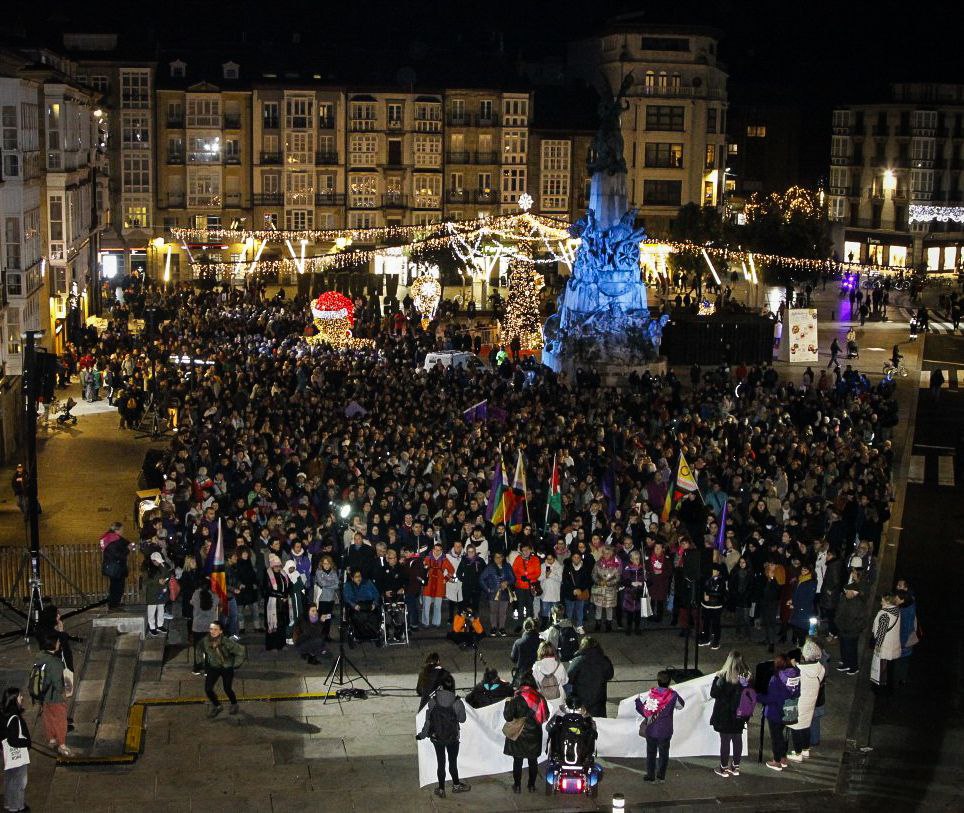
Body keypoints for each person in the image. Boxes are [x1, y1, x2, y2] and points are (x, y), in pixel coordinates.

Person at [416, 673, 470, 798]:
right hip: (452, 738)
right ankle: (456, 785)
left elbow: (428, 722)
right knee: (452, 762)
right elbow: (462, 720)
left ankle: (441, 789)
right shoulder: (457, 702)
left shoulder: (432, 701)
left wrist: (422, 735)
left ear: (440, 686)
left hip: (437, 738)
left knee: (441, 763)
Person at [636, 670, 686, 783]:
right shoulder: (673, 695)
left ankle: (650, 775)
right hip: (666, 730)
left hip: (652, 729)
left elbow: (645, 711)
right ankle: (661, 776)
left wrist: (638, 702)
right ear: (669, 682)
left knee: (651, 753)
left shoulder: (652, 694)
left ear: (658, 681)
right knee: (664, 754)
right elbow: (681, 706)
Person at [502, 675, 549, 793]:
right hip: (534, 735)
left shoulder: (516, 699)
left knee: (517, 762)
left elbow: (508, 717)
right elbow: (545, 716)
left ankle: (517, 786)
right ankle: (531, 786)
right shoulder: (540, 698)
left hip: (519, 735)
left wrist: (507, 702)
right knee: (533, 761)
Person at [709, 650, 751, 777]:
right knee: (737, 739)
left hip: (724, 714)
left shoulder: (722, 676)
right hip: (739, 714)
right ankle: (736, 766)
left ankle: (723, 768)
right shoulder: (746, 676)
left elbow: (713, 694)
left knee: (725, 740)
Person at [757, 654, 800, 771]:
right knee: (783, 735)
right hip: (789, 710)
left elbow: (771, 698)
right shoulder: (795, 675)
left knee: (776, 737)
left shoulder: (776, 679)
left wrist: (757, 697)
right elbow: (797, 693)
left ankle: (776, 761)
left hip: (775, 712)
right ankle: (783, 758)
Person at [196, 620, 246, 717]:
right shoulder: (205, 641)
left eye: (215, 629)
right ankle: (217, 706)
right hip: (213, 667)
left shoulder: (227, 642)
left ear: (221, 631)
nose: (212, 631)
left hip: (226, 668)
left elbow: (241, 651)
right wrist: (201, 663)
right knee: (208, 689)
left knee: (227, 688)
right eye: (211, 629)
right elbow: (199, 648)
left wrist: (235, 664)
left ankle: (234, 703)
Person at [787, 639, 825, 761]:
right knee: (806, 725)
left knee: (795, 727)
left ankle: (798, 754)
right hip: (811, 702)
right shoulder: (821, 668)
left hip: (797, 702)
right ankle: (805, 750)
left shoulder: (799, 670)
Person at [32, 634, 70, 755]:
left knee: (48, 717)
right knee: (60, 719)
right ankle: (62, 744)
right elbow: (58, 683)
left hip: (43, 695)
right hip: (54, 696)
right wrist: (63, 693)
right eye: (57, 641)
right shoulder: (55, 662)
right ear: (53, 644)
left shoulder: (40, 656)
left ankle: (52, 739)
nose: (59, 643)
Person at [566, 637, 614, 717]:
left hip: (581, 702)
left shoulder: (578, 661)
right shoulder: (604, 660)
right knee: (598, 724)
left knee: (582, 725)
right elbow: (610, 675)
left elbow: (568, 678)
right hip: (599, 700)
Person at [2, 686, 31, 812]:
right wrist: (26, 742)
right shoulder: (14, 717)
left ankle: (9, 803)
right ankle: (17, 807)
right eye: (20, 696)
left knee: (10, 779)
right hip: (17, 754)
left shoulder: (3, 713)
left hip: (8, 754)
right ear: (14, 699)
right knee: (20, 782)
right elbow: (13, 740)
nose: (22, 698)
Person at [835, 572, 868, 675]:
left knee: (851, 650)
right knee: (844, 648)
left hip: (852, 632)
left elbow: (862, 621)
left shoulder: (859, 604)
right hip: (842, 629)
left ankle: (854, 667)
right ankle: (845, 663)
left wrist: (852, 628)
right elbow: (839, 613)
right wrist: (838, 624)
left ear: (854, 592)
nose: (846, 592)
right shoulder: (844, 599)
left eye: (848, 591)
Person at [871, 594, 902, 692]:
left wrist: (878, 646)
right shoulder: (896, 611)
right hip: (893, 646)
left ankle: (881, 689)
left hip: (885, 648)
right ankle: (889, 687)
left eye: (882, 601)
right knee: (890, 669)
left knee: (881, 670)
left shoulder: (885, 615)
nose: (881, 603)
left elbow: (881, 633)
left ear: (888, 602)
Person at [262, 553, 291, 651]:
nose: (278, 568)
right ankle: (272, 645)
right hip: (272, 604)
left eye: (279, 566)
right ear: (272, 566)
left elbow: (289, 585)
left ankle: (281, 644)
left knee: (282, 624)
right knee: (273, 624)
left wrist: (286, 595)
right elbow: (267, 590)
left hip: (283, 604)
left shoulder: (283, 574)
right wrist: (281, 596)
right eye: (276, 566)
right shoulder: (267, 574)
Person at [893, 578, 918, 688]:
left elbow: (905, 630)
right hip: (905, 644)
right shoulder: (909, 603)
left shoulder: (905, 612)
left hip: (903, 643)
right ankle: (902, 678)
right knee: (904, 661)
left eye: (897, 599)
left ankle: (899, 679)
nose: (895, 600)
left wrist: (900, 644)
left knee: (900, 662)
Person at [590, 546, 621, 633]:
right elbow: (593, 575)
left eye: (608, 553)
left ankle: (609, 625)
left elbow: (617, 577)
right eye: (604, 553)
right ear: (602, 554)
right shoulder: (597, 563)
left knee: (609, 608)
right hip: (599, 588)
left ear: (611, 554)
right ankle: (598, 624)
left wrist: (609, 583)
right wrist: (599, 582)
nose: (606, 555)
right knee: (598, 607)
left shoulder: (615, 565)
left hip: (610, 590)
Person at [190, 583, 219, 675]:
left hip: (197, 626)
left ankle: (197, 668)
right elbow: (218, 602)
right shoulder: (214, 596)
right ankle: (208, 669)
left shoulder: (196, 594)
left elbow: (191, 602)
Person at [101, 523, 131, 609]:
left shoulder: (113, 538)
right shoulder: (112, 540)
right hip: (115, 567)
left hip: (116, 566)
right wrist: (127, 549)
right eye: (121, 530)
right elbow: (118, 554)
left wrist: (128, 545)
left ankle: (115, 603)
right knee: (116, 586)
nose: (122, 531)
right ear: (116, 530)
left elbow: (124, 542)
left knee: (117, 586)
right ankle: (113, 605)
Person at [562, 551, 592, 634]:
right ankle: (568, 627)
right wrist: (573, 590)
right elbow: (565, 581)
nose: (576, 559)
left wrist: (580, 589)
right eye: (574, 557)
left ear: (580, 558)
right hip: (569, 594)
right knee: (569, 611)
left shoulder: (585, 568)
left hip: (580, 593)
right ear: (571, 558)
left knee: (580, 611)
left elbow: (587, 581)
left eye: (578, 557)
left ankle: (579, 626)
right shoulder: (567, 567)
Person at [788, 564, 817, 646]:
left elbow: (809, 598)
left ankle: (803, 646)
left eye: (805, 570)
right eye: (802, 570)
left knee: (802, 629)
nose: (803, 572)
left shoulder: (811, 582)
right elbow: (796, 593)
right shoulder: (800, 579)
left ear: (810, 571)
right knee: (795, 626)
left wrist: (796, 605)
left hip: (804, 609)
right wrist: (792, 600)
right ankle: (800, 644)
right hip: (798, 608)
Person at [699, 564, 727, 650]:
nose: (713, 572)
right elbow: (703, 588)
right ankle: (706, 638)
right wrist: (704, 595)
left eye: (715, 570)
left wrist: (709, 595)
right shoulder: (707, 579)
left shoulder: (721, 581)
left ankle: (716, 641)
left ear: (718, 572)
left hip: (716, 605)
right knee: (706, 622)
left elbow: (721, 593)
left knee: (716, 623)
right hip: (706, 605)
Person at [145, 551, 172, 637]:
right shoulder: (147, 568)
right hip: (152, 592)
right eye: (156, 561)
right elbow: (146, 581)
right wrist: (157, 581)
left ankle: (160, 625)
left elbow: (168, 575)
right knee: (152, 610)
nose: (158, 563)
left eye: (159, 561)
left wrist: (165, 581)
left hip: (161, 591)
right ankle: (152, 627)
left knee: (161, 609)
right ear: (152, 561)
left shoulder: (162, 566)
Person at [510, 618, 541, 686]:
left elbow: (513, 658)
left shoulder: (518, 642)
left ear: (525, 628)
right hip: (538, 673)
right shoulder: (541, 642)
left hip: (522, 674)